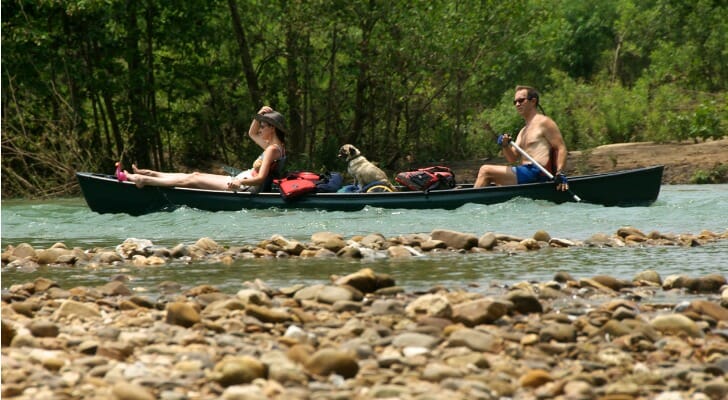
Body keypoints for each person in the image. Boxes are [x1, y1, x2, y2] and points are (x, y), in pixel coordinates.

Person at [125, 106, 287, 193]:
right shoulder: (277, 148)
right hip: (244, 178)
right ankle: (151, 174)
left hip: (245, 185)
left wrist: (239, 182)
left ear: (272, 128)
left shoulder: (272, 149)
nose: (260, 129)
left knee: (193, 180)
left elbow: (260, 179)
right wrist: (258, 116)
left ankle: (144, 180)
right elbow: (251, 133)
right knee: (195, 174)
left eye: (263, 126)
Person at [474, 85, 570, 191]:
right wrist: (505, 145)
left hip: (537, 173)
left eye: (521, 100)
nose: (517, 104)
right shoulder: (523, 131)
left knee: (485, 170)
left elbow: (561, 148)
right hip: (525, 173)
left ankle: (471, 204)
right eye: (515, 102)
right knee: (495, 182)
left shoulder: (545, 122)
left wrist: (560, 173)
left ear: (533, 101)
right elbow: (512, 158)